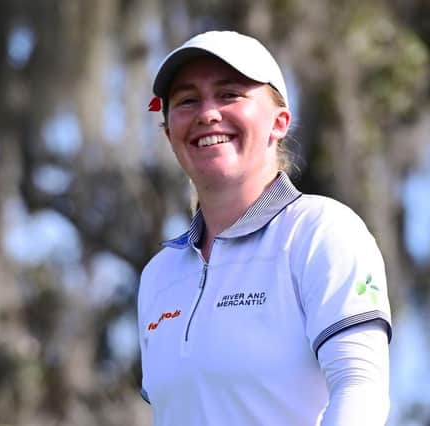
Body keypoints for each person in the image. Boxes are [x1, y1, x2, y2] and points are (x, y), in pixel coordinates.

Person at [138, 30, 392, 426]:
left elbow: (360, 388)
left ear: (279, 123)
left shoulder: (321, 232)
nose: (207, 113)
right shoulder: (159, 276)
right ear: (170, 132)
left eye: (229, 94)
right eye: (187, 100)